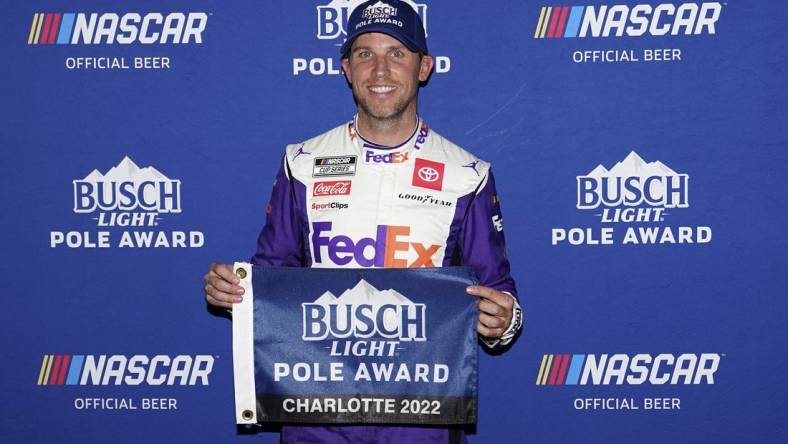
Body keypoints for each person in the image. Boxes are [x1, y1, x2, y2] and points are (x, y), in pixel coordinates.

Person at [204, 1, 523, 442]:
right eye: (365, 54)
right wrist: (235, 291)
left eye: (396, 53)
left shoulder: (467, 174)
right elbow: (270, 279)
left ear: (424, 67)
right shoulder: (303, 160)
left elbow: (499, 294)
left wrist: (503, 322)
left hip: (422, 413)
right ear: (346, 68)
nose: (380, 70)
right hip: (317, 412)